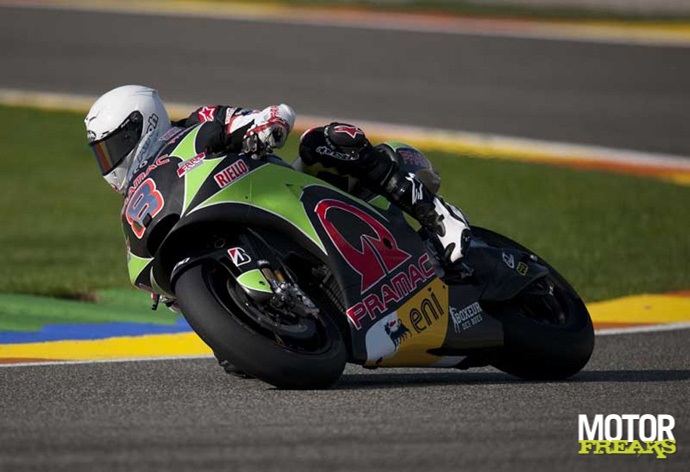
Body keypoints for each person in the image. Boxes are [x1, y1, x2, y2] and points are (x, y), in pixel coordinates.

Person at [85, 84, 470, 266]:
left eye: (113, 147)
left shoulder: (200, 122)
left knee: (323, 141)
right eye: (102, 154)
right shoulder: (139, 203)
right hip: (239, 226)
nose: (110, 161)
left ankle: (434, 215)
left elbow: (273, 114)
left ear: (142, 125)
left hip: (284, 196)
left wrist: (266, 126)